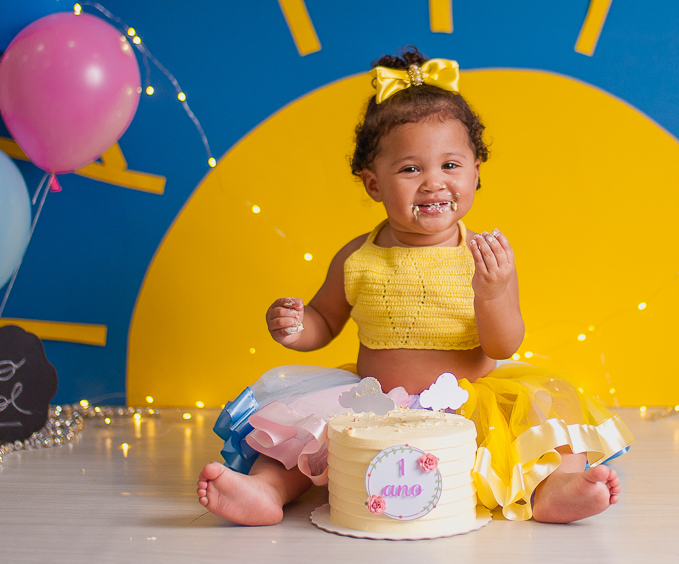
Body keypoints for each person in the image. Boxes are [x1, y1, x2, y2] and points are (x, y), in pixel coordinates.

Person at [197, 48, 633, 526]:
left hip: (469, 404)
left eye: (451, 165)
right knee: (304, 433)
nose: (433, 183)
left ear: (477, 171)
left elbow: (504, 345)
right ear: (373, 184)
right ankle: (266, 490)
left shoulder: (484, 256)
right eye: (410, 169)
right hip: (374, 403)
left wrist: (492, 292)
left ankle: (553, 488)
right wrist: (297, 326)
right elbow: (325, 319)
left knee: (546, 417)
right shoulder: (358, 257)